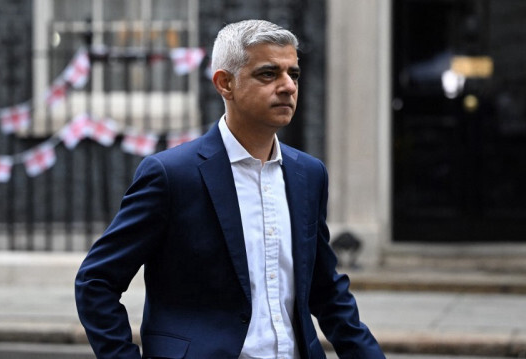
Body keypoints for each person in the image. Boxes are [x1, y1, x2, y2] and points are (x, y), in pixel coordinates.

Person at [75, 19, 385, 359]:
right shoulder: (171, 175)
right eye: (268, 74)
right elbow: (96, 282)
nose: (287, 86)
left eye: (292, 74)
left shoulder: (308, 174)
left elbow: (326, 289)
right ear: (225, 83)